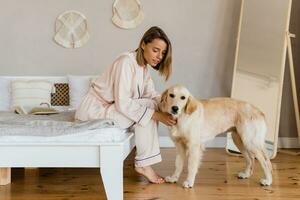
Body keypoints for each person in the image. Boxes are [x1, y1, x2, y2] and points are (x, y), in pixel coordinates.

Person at [75, 26, 176, 184]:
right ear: (143, 44)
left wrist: (170, 106)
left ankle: (144, 163)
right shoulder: (126, 62)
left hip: (110, 110)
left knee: (151, 104)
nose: (159, 57)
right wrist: (157, 115)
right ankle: (143, 164)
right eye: (156, 50)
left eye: (162, 53)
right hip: (95, 111)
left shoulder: (143, 68)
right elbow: (123, 102)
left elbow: (151, 95)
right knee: (150, 108)